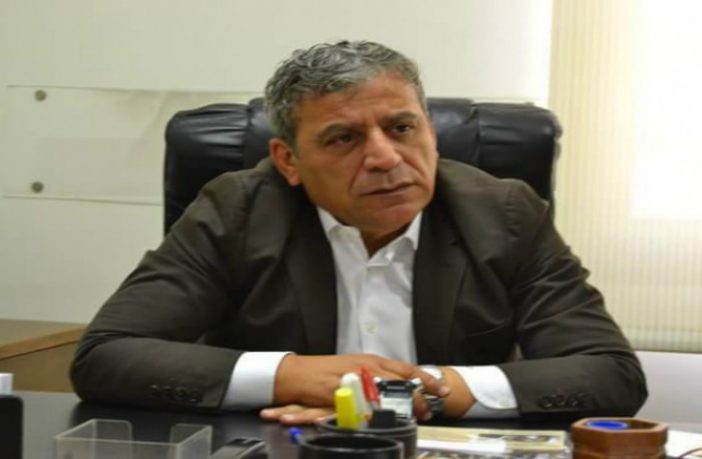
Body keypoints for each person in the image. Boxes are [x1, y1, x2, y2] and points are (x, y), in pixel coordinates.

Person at [70, 40, 647, 425]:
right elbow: (107, 356)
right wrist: (292, 376)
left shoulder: (505, 213)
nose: (385, 158)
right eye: (344, 139)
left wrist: (409, 394)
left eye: (402, 128)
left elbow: (608, 372)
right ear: (288, 161)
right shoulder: (236, 211)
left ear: (431, 133)